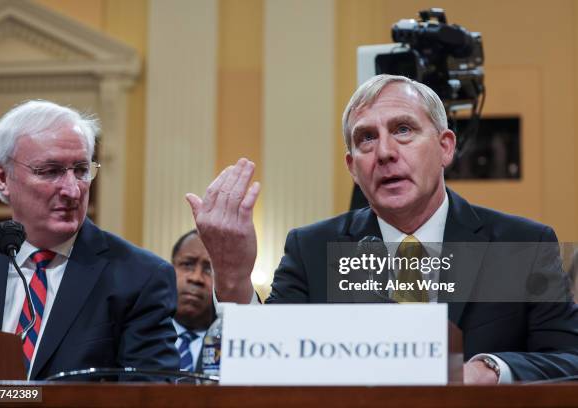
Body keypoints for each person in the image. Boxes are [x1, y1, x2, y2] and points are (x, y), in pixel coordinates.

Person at [186, 74, 578, 384]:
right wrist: (234, 278)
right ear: (352, 167)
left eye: (403, 129)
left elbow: (569, 360)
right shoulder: (313, 248)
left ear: (445, 147)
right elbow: (268, 366)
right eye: (366, 139)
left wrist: (489, 371)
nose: (386, 152)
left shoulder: (519, 244)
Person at [0, 100, 179, 380]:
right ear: (3, 176)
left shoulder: (140, 277)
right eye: (50, 171)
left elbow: (149, 396)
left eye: (80, 170)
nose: (73, 190)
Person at [171, 230, 215, 372]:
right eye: (188, 264)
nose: (196, 278)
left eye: (209, 269)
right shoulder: (143, 333)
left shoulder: (231, 345)